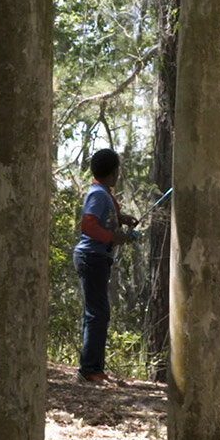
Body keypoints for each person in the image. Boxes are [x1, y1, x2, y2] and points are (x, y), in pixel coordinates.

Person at [71, 147, 142, 385]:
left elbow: (101, 219)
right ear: (114, 173)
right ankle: (90, 369)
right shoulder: (98, 194)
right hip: (92, 257)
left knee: (96, 313)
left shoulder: (104, 194)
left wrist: (121, 220)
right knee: (97, 314)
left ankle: (91, 367)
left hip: (98, 258)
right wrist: (113, 237)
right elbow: (88, 226)